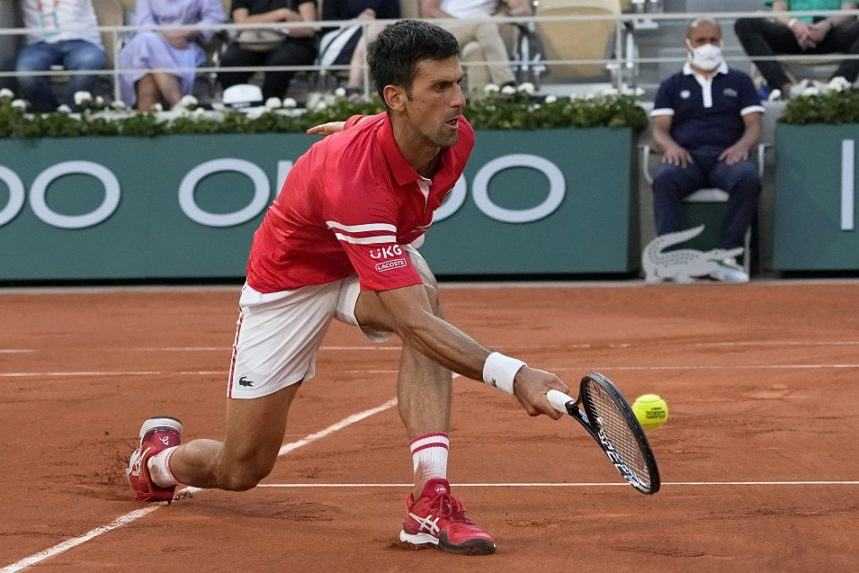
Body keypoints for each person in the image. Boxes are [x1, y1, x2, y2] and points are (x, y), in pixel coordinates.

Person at [127, 19, 568, 556]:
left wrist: (360, 126)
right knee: (242, 467)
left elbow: (413, 312)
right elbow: (409, 319)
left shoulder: (455, 138)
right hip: (292, 280)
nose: (458, 101)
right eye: (440, 88)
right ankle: (157, 462)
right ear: (396, 97)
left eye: (458, 83)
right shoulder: (355, 181)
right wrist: (514, 375)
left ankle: (430, 499)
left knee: (422, 302)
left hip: (363, 264)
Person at [649, 18, 765, 283]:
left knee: (747, 178)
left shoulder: (740, 81)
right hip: (687, 158)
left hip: (726, 157)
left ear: (722, 42)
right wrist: (670, 146)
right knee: (665, 178)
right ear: (688, 44)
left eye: (713, 40)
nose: (708, 46)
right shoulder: (672, 85)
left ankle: (726, 256)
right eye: (701, 41)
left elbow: (754, 125)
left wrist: (742, 146)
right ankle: (670, 258)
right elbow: (659, 129)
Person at [735, 1, 859, 96]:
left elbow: (849, 10)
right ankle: (785, 87)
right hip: (793, 34)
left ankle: (839, 83)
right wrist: (795, 25)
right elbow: (779, 9)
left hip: (832, 31)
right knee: (745, 24)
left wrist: (827, 25)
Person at [118, 0, 226, 111]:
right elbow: (144, 23)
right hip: (150, 42)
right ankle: (179, 106)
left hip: (185, 46)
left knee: (148, 78)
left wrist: (188, 31)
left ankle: (147, 121)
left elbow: (215, 18)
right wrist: (166, 35)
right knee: (146, 41)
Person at [419, 0, 530, 94]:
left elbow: (522, 10)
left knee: (474, 50)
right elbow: (429, 10)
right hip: (446, 30)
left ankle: (479, 108)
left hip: (482, 34)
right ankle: (506, 81)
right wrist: (464, 23)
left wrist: (500, 18)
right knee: (483, 21)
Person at [16, 0, 106, 112]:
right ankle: (49, 115)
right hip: (39, 43)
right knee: (26, 72)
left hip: (81, 39)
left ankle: (68, 113)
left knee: (91, 61)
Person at [218, 0, 317, 100]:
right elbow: (241, 23)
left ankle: (270, 105)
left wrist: (259, 21)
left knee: (280, 63)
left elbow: (308, 29)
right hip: (252, 41)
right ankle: (238, 106)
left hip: (292, 42)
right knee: (231, 61)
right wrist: (282, 14)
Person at [317, 0, 400, 96]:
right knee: (374, 29)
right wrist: (357, 21)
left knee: (376, 27)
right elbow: (327, 24)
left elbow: (394, 23)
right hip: (339, 39)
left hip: (377, 38)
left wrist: (371, 22)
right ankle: (357, 87)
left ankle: (353, 87)